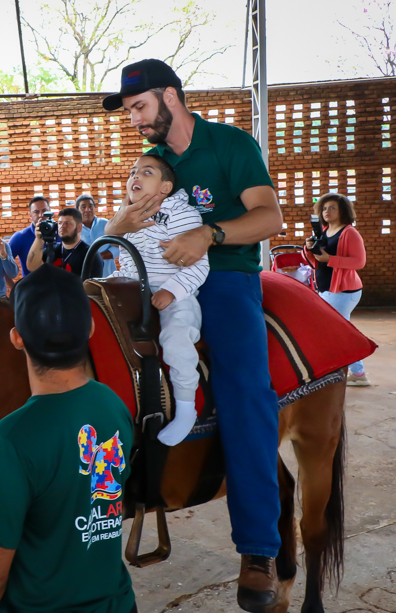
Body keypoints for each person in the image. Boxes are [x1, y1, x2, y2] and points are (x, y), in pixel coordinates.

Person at [103, 58, 285, 612]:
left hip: (226, 279)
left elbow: (270, 217)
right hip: (153, 276)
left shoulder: (229, 143)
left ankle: (258, 548)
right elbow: (114, 229)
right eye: (130, 111)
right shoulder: (151, 164)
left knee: (245, 389)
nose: (134, 120)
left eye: (139, 107)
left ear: (170, 97)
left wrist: (211, 234)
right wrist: (122, 224)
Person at [0, 264, 137, 613]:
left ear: (17, 338)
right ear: (92, 328)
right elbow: (86, 501)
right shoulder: (113, 405)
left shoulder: (10, 439)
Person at [109, 155, 209, 446]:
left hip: (173, 290)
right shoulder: (128, 213)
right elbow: (121, 253)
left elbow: (199, 265)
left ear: (165, 187)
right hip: (131, 288)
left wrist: (172, 290)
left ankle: (186, 408)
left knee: (176, 338)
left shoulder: (183, 214)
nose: (135, 177)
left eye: (146, 172)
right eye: (132, 172)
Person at [303, 193, 369, 386]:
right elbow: (315, 259)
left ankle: (355, 373)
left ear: (343, 211)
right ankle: (356, 372)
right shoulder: (324, 231)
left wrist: (329, 259)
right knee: (338, 331)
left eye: (332, 208)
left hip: (343, 291)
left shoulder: (349, 232)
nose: (327, 212)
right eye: (324, 208)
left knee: (335, 331)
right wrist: (309, 248)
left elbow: (359, 261)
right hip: (326, 288)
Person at [24, 207, 104, 278]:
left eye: (67, 223)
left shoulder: (90, 254)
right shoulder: (52, 250)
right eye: (60, 223)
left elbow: (92, 289)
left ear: (79, 227)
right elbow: (32, 267)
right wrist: (39, 239)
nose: (62, 226)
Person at [7, 196, 52, 277]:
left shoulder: (60, 232)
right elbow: (4, 265)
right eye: (36, 212)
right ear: (30, 215)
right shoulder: (20, 237)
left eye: (44, 210)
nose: (41, 215)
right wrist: (15, 287)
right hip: (32, 288)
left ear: (50, 211)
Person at [76, 195, 118, 277]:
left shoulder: (105, 224)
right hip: (84, 277)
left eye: (90, 206)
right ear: (78, 210)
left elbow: (117, 246)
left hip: (107, 275)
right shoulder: (75, 228)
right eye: (83, 207)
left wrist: (99, 257)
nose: (87, 210)